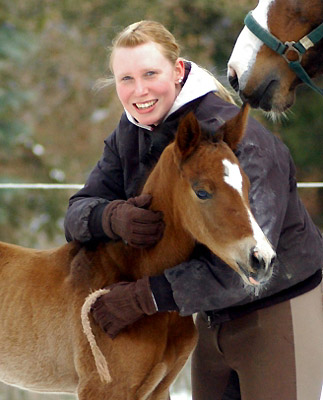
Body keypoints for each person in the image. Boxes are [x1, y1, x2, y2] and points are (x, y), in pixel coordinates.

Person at [64, 20, 323, 400]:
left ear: (179, 70)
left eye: (150, 74)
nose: (139, 91)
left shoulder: (237, 140)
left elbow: (253, 264)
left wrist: (144, 297)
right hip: (205, 315)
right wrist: (111, 217)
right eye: (126, 79)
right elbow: (76, 213)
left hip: (277, 308)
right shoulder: (132, 132)